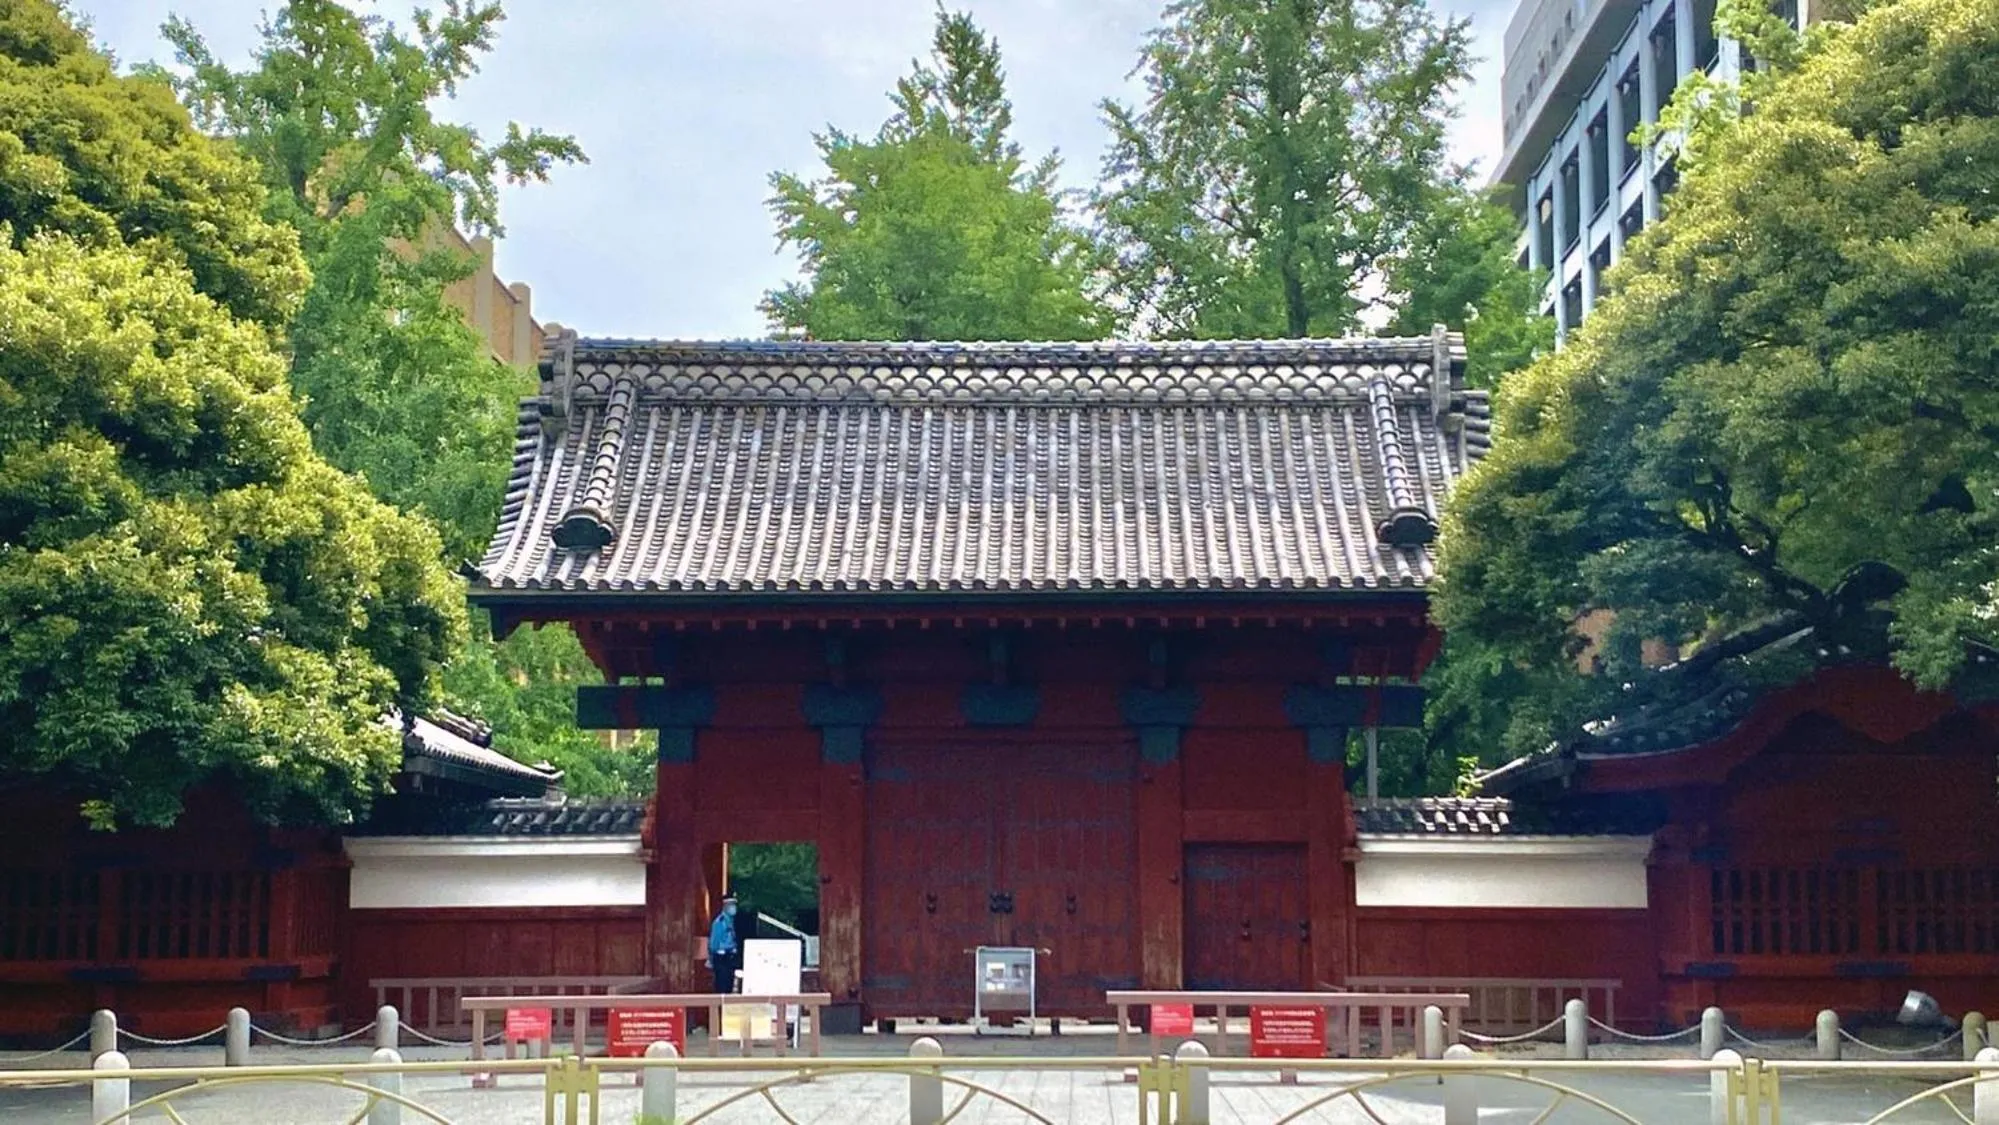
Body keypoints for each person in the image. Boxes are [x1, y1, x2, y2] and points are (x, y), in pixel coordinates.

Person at [706, 894, 740, 995]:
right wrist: (712, 957)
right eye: (730, 905)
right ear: (725, 906)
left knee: (729, 984)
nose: (733, 907)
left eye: (734, 904)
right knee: (722, 984)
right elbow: (713, 943)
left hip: (731, 956)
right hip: (721, 957)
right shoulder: (719, 922)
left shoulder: (732, 921)